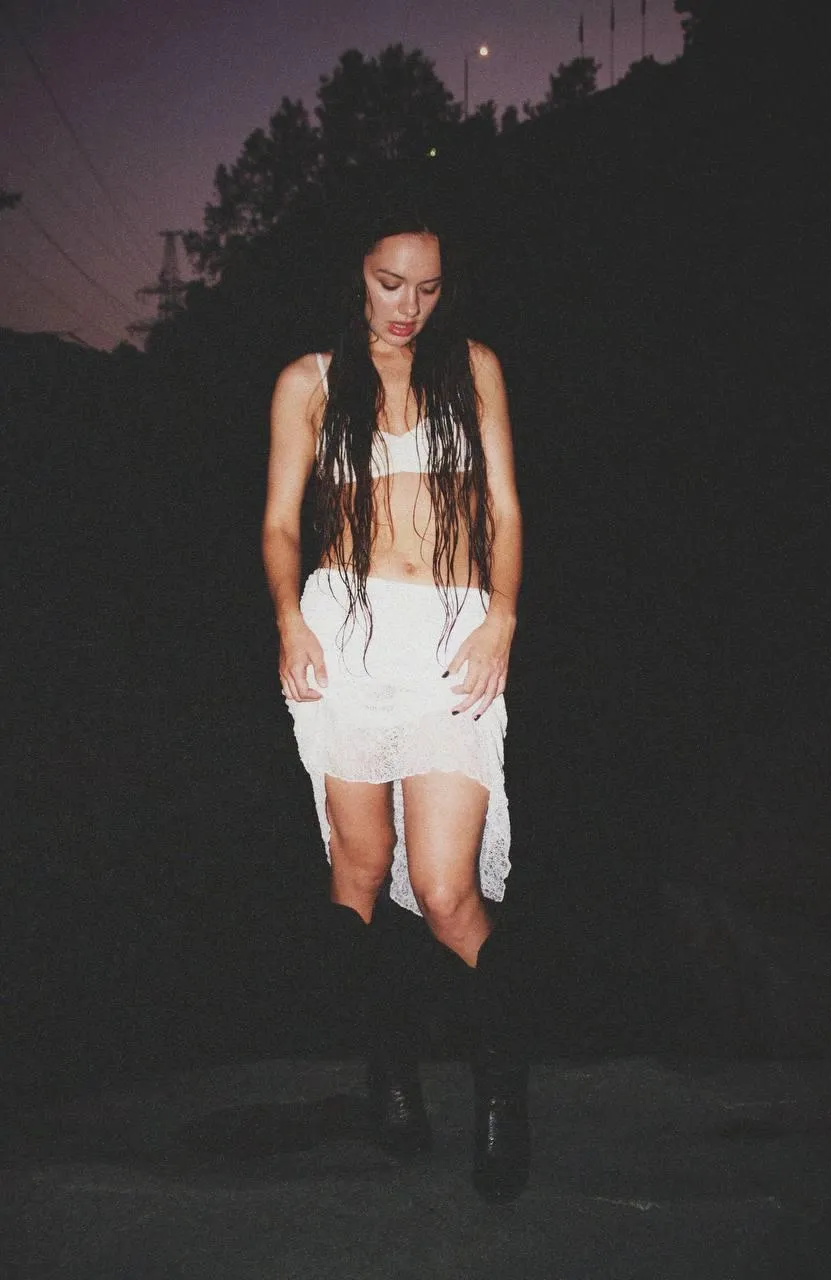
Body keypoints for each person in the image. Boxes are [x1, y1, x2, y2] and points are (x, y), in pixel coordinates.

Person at [262, 206, 528, 1199]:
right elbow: (282, 523)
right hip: (347, 633)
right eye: (389, 282)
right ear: (355, 275)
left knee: (449, 886)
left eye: (427, 284)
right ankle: (394, 1078)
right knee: (359, 873)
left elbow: (502, 506)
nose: (409, 305)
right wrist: (290, 619)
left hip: (452, 637)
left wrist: (502, 613)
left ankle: (505, 1094)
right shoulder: (310, 382)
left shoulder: (474, 368)